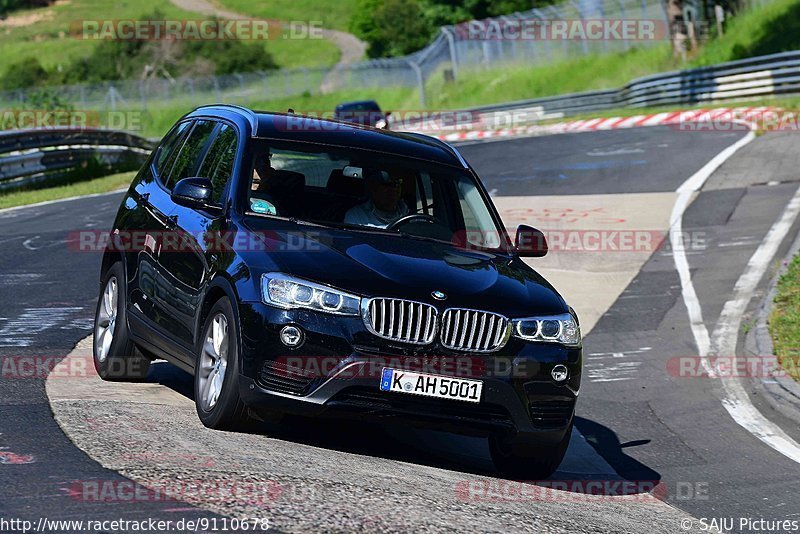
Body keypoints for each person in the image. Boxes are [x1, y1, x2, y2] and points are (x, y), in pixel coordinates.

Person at [344, 168, 408, 228]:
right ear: (374, 188)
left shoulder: (410, 216)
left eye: (397, 183)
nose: (394, 188)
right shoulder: (356, 215)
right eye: (387, 184)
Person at [250, 151, 278, 215]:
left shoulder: (276, 180)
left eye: (265, 159)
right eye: (257, 160)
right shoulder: (239, 180)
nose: (263, 164)